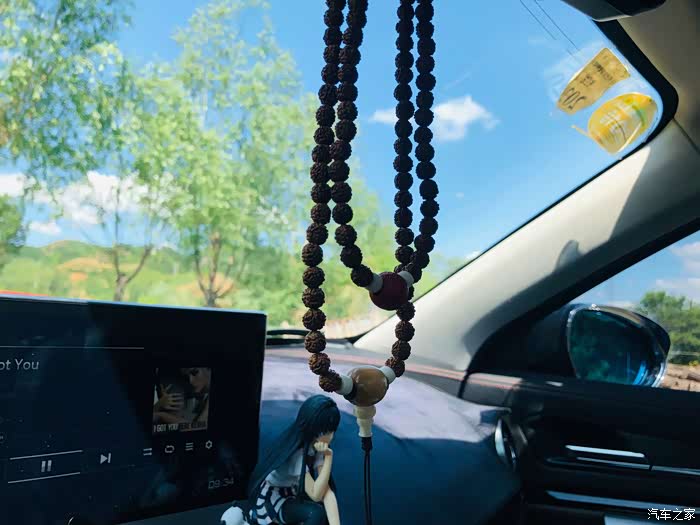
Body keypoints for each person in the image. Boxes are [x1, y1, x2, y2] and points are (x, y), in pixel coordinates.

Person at [223, 395, 341, 525]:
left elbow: (327, 493)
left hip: (292, 494)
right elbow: (316, 494)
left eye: (332, 430)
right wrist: (328, 458)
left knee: (319, 509)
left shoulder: (316, 448)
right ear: (313, 429)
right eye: (326, 431)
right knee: (315, 512)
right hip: (274, 498)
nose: (331, 436)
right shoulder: (298, 456)